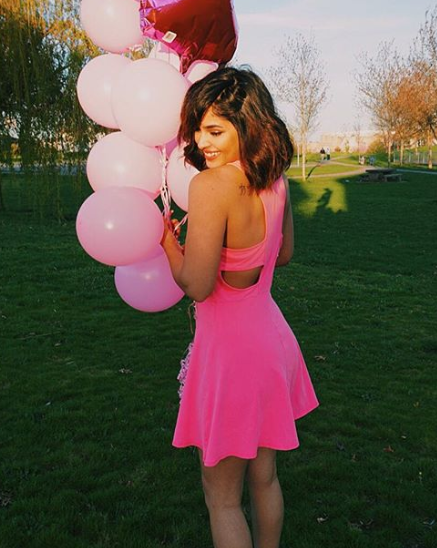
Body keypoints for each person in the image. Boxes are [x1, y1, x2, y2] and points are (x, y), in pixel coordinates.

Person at [161, 67, 319, 548]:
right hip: (272, 341)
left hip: (232, 356)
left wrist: (167, 244)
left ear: (246, 125)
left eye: (215, 130)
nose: (201, 142)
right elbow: (283, 253)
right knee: (264, 478)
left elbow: (197, 285)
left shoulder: (212, 186)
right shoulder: (275, 179)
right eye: (197, 130)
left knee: (222, 497)